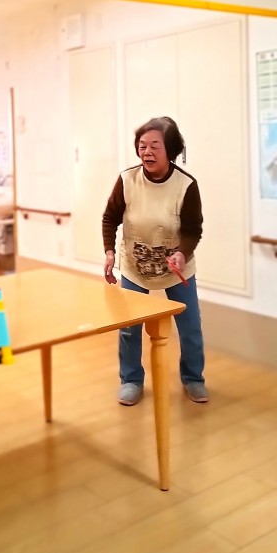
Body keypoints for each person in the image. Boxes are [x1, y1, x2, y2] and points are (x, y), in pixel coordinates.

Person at [102, 116, 208, 406]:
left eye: (154, 146)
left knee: (190, 326)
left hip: (176, 268)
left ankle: (194, 378)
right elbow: (110, 217)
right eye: (142, 146)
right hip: (134, 266)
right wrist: (109, 251)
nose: (146, 152)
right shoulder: (127, 180)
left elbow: (193, 230)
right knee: (129, 327)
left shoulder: (186, 185)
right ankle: (131, 380)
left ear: (170, 149)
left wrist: (182, 252)